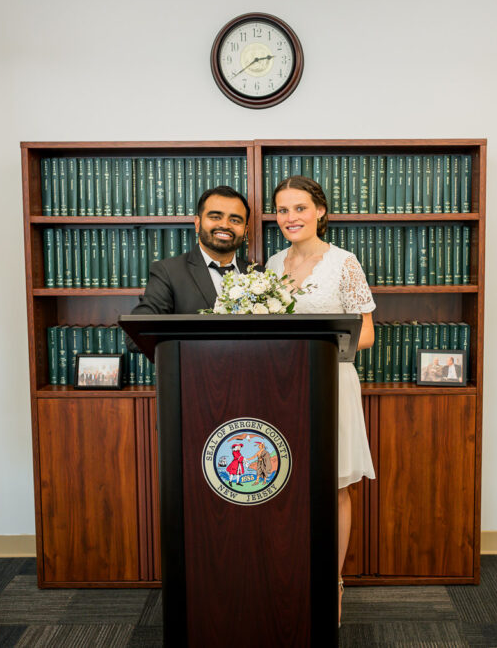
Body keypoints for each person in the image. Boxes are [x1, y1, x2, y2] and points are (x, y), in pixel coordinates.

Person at [264, 175, 375, 627]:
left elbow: (365, 333)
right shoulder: (271, 265)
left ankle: (333, 583)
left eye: (300, 208)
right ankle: (290, 576)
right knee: (284, 482)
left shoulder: (344, 262)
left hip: (331, 380)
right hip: (280, 385)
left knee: (335, 485)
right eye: (283, 210)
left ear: (320, 212)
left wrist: (315, 342)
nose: (291, 217)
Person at [132, 185, 252, 315]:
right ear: (197, 224)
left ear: (245, 231)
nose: (224, 225)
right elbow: (142, 328)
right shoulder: (168, 272)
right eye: (215, 217)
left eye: (235, 220)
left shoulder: (260, 275)